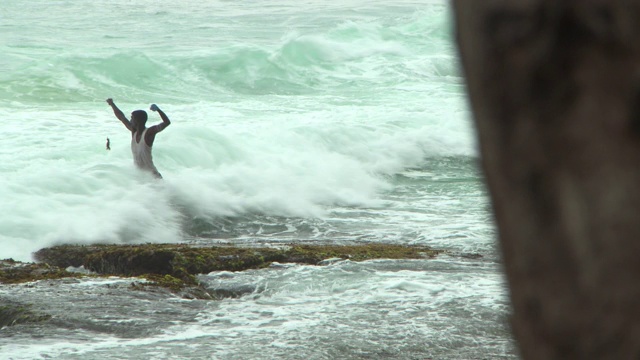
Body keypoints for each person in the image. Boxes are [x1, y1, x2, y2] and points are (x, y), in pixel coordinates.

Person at [106, 98, 171, 178]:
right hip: (141, 179)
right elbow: (121, 117)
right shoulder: (134, 132)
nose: (130, 120)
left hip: (153, 177)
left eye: (132, 118)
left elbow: (167, 122)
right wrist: (112, 104)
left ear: (137, 121)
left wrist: (158, 110)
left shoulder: (148, 133)